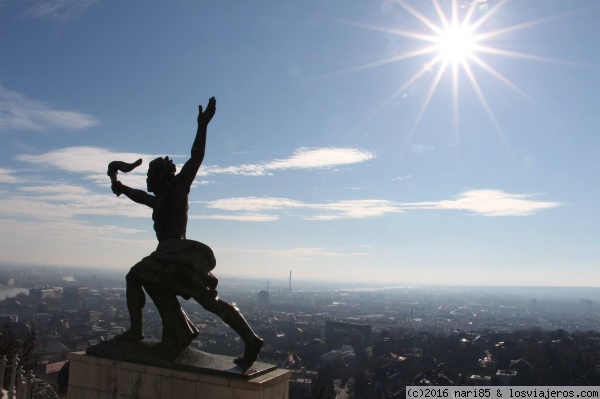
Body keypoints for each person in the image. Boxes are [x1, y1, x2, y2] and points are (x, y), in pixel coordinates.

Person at [110, 97, 263, 366]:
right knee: (145, 280)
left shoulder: (178, 189)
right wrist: (121, 187)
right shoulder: (160, 199)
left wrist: (202, 126)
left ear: (163, 176)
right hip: (166, 255)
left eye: (150, 176)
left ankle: (250, 339)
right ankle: (181, 331)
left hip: (176, 254)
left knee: (207, 301)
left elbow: (196, 157)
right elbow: (140, 196)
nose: (147, 181)